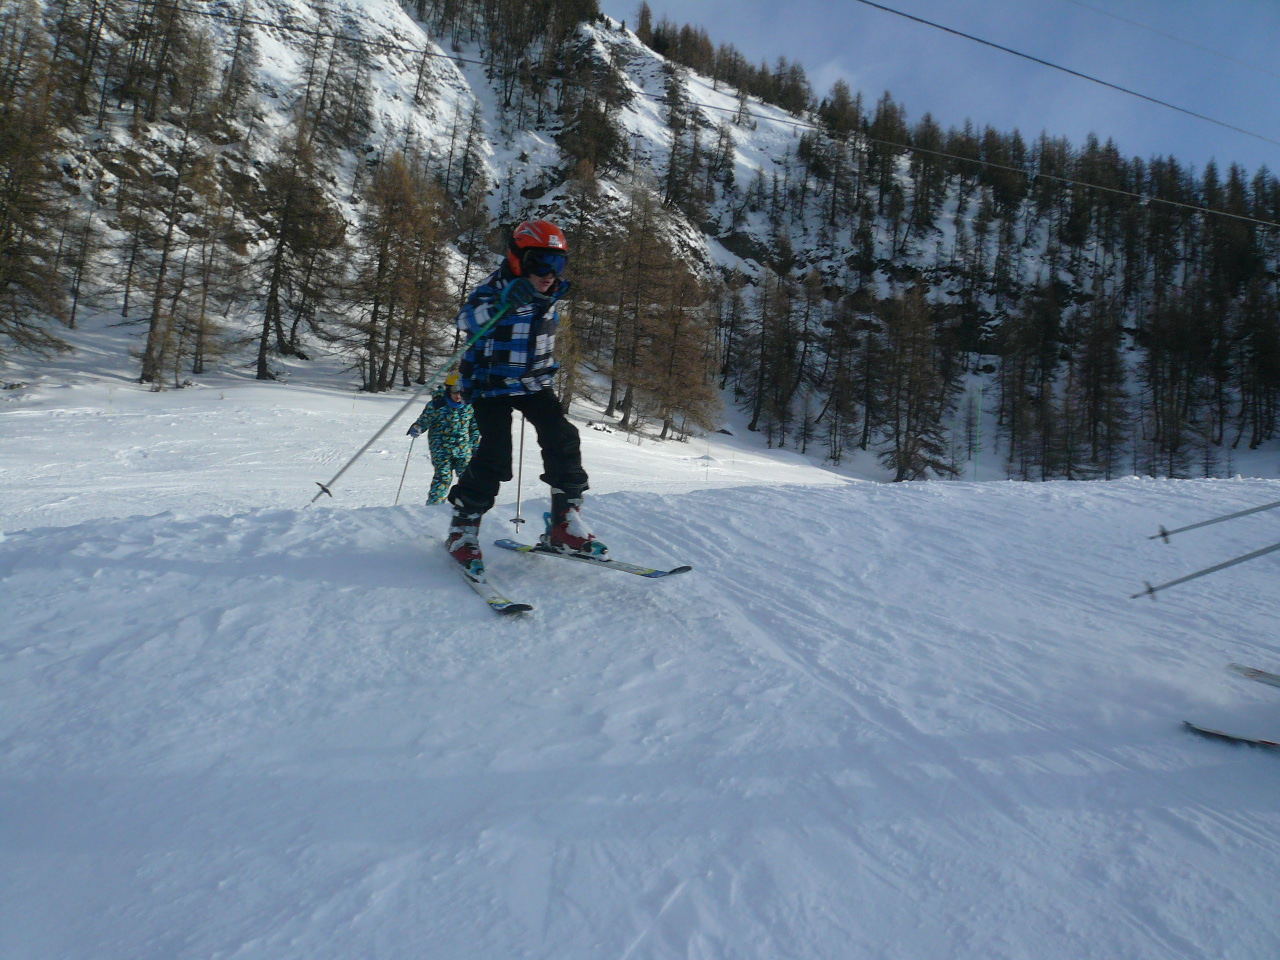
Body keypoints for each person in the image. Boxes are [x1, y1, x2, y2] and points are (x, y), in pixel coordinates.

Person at [444, 219, 606, 575]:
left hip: (533, 383)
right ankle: (462, 528)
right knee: (495, 453)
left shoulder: (550, 291)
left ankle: (564, 523)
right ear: (518, 259)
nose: (549, 274)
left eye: (558, 264)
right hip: (491, 384)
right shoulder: (495, 288)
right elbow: (465, 319)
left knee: (563, 438)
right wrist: (501, 303)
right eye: (540, 263)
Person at [407, 372, 479, 505]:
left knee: (468, 476)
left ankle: (468, 504)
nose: (458, 396)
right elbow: (425, 420)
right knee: (443, 476)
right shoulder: (437, 405)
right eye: (454, 391)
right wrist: (418, 427)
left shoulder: (469, 406)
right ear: (448, 390)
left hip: (463, 448)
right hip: (441, 448)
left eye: (461, 392)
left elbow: (474, 429)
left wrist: (476, 447)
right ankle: (435, 505)